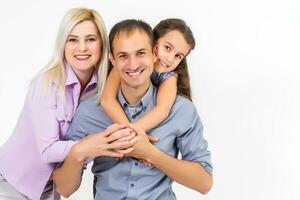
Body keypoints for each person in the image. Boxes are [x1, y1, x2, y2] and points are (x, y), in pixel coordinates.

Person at [54, 19, 213, 199]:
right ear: (112, 59)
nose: (133, 64)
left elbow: (204, 183)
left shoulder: (181, 109)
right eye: (123, 56)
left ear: (153, 54)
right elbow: (63, 189)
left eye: (140, 53)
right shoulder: (89, 111)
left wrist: (150, 154)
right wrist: (78, 152)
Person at [0, 8, 135, 200]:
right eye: (73, 40)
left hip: (50, 189)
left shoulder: (105, 90)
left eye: (90, 39)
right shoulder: (47, 83)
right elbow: (48, 151)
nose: (82, 48)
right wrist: (93, 145)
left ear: (102, 44)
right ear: (63, 44)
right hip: (10, 183)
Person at [100, 18, 194, 132]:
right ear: (153, 43)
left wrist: (132, 133)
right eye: (167, 48)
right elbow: (107, 99)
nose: (169, 59)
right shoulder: (125, 64)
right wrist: (129, 133)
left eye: (178, 56)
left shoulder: (169, 77)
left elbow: (161, 111)